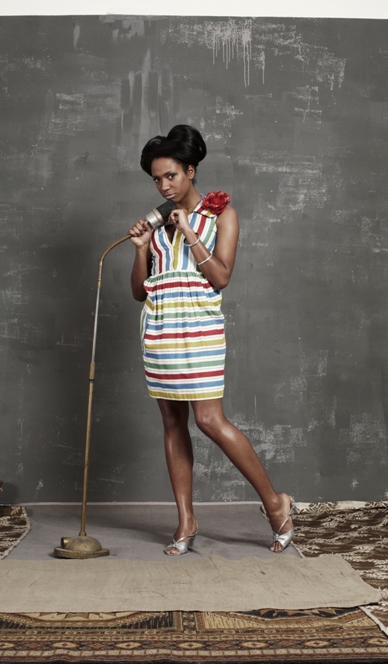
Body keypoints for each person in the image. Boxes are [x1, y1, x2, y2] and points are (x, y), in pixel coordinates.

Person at [129, 125, 295, 556]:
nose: (164, 186)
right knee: (171, 423)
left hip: (200, 332)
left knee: (209, 420)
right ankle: (186, 520)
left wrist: (190, 232)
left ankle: (275, 502)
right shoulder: (157, 225)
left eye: (171, 175)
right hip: (161, 332)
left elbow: (220, 277)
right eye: (157, 179)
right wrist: (141, 248)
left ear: (190, 170)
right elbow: (139, 292)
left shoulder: (221, 217)